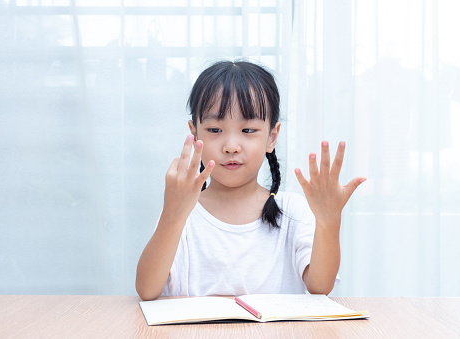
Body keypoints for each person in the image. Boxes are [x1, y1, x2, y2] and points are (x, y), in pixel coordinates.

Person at [135, 60, 366, 301]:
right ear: (194, 135)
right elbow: (147, 290)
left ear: (272, 137)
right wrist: (172, 215)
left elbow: (321, 286)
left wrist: (329, 221)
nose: (231, 147)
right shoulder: (181, 212)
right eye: (215, 130)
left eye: (248, 131)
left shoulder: (291, 211)